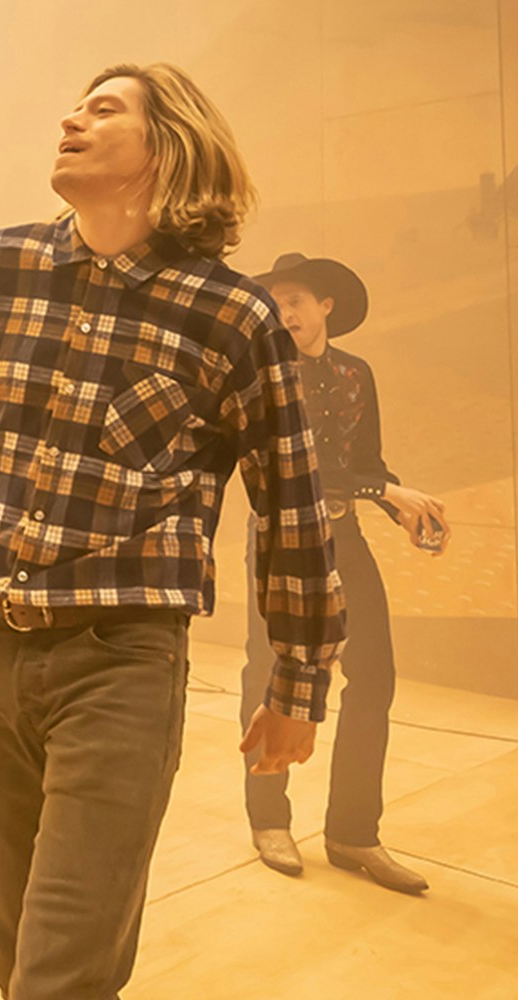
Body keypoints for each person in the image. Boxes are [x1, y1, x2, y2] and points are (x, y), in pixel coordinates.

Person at [0, 63, 347, 1000]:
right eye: (76, 105)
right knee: (13, 949)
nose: (71, 118)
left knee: (64, 967)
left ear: (168, 147)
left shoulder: (232, 314)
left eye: (103, 108)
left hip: (120, 660)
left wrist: (298, 678)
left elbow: (291, 504)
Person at [241, 252, 447, 893]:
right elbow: (284, 471)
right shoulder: (261, 377)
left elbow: (369, 464)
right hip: (279, 540)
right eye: (276, 302)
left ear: (325, 305)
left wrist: (401, 506)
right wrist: (384, 493)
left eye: (297, 299)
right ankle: (269, 818)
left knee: (375, 676)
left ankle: (354, 832)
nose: (287, 312)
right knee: (270, 675)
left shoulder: (357, 374)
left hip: (345, 536)